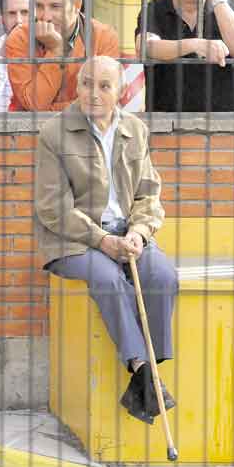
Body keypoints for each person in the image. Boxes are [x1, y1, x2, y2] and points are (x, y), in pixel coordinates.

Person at [35, 55, 178, 423]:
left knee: (162, 277)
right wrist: (101, 240)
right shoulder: (55, 134)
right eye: (86, 83)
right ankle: (141, 368)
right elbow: (52, 208)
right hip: (73, 240)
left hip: (126, 234)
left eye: (104, 86)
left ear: (121, 91)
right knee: (107, 278)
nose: (93, 94)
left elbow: (149, 194)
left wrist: (139, 232)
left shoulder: (135, 131)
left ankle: (148, 375)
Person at [5, 0, 120, 111]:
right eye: (39, 6)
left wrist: (49, 110)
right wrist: (56, 51)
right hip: (32, 131)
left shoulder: (104, 37)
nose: (46, 16)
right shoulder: (20, 38)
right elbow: (33, 104)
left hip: (85, 131)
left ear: (77, 6)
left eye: (55, 7)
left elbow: (102, 102)